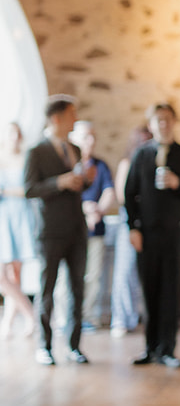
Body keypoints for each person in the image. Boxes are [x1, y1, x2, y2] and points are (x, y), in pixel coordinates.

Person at [125, 103, 180, 368]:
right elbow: (130, 194)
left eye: (167, 119)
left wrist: (178, 184)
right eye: (158, 120)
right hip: (147, 234)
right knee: (149, 290)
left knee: (172, 291)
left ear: (174, 122)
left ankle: (167, 349)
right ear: (151, 124)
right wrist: (133, 227)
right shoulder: (141, 155)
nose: (163, 124)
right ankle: (149, 347)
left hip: (175, 233)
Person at [23, 96, 94, 366]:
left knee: (78, 288)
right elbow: (30, 189)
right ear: (57, 118)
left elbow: (76, 187)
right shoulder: (36, 151)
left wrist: (85, 182)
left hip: (77, 228)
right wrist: (60, 182)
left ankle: (74, 346)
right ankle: (45, 346)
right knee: (47, 290)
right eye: (71, 114)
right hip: (50, 230)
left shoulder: (74, 148)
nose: (75, 119)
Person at [70, 119, 117, 330]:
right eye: (85, 136)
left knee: (93, 275)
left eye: (92, 137)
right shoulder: (68, 165)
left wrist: (98, 210)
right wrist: (84, 209)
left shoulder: (100, 165)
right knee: (67, 277)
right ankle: (65, 317)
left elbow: (109, 191)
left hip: (95, 228)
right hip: (71, 228)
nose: (90, 141)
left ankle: (87, 317)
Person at [109, 126, 149, 337]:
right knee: (125, 270)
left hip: (149, 221)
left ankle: (137, 315)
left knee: (142, 273)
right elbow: (123, 195)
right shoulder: (127, 163)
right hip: (130, 220)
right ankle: (121, 318)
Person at [0, 121, 37, 337]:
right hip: (3, 218)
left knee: (16, 274)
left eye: (16, 133)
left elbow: (29, 190)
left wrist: (7, 191)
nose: (13, 137)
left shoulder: (27, 158)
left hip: (20, 216)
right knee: (3, 277)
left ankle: (8, 322)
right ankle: (30, 314)